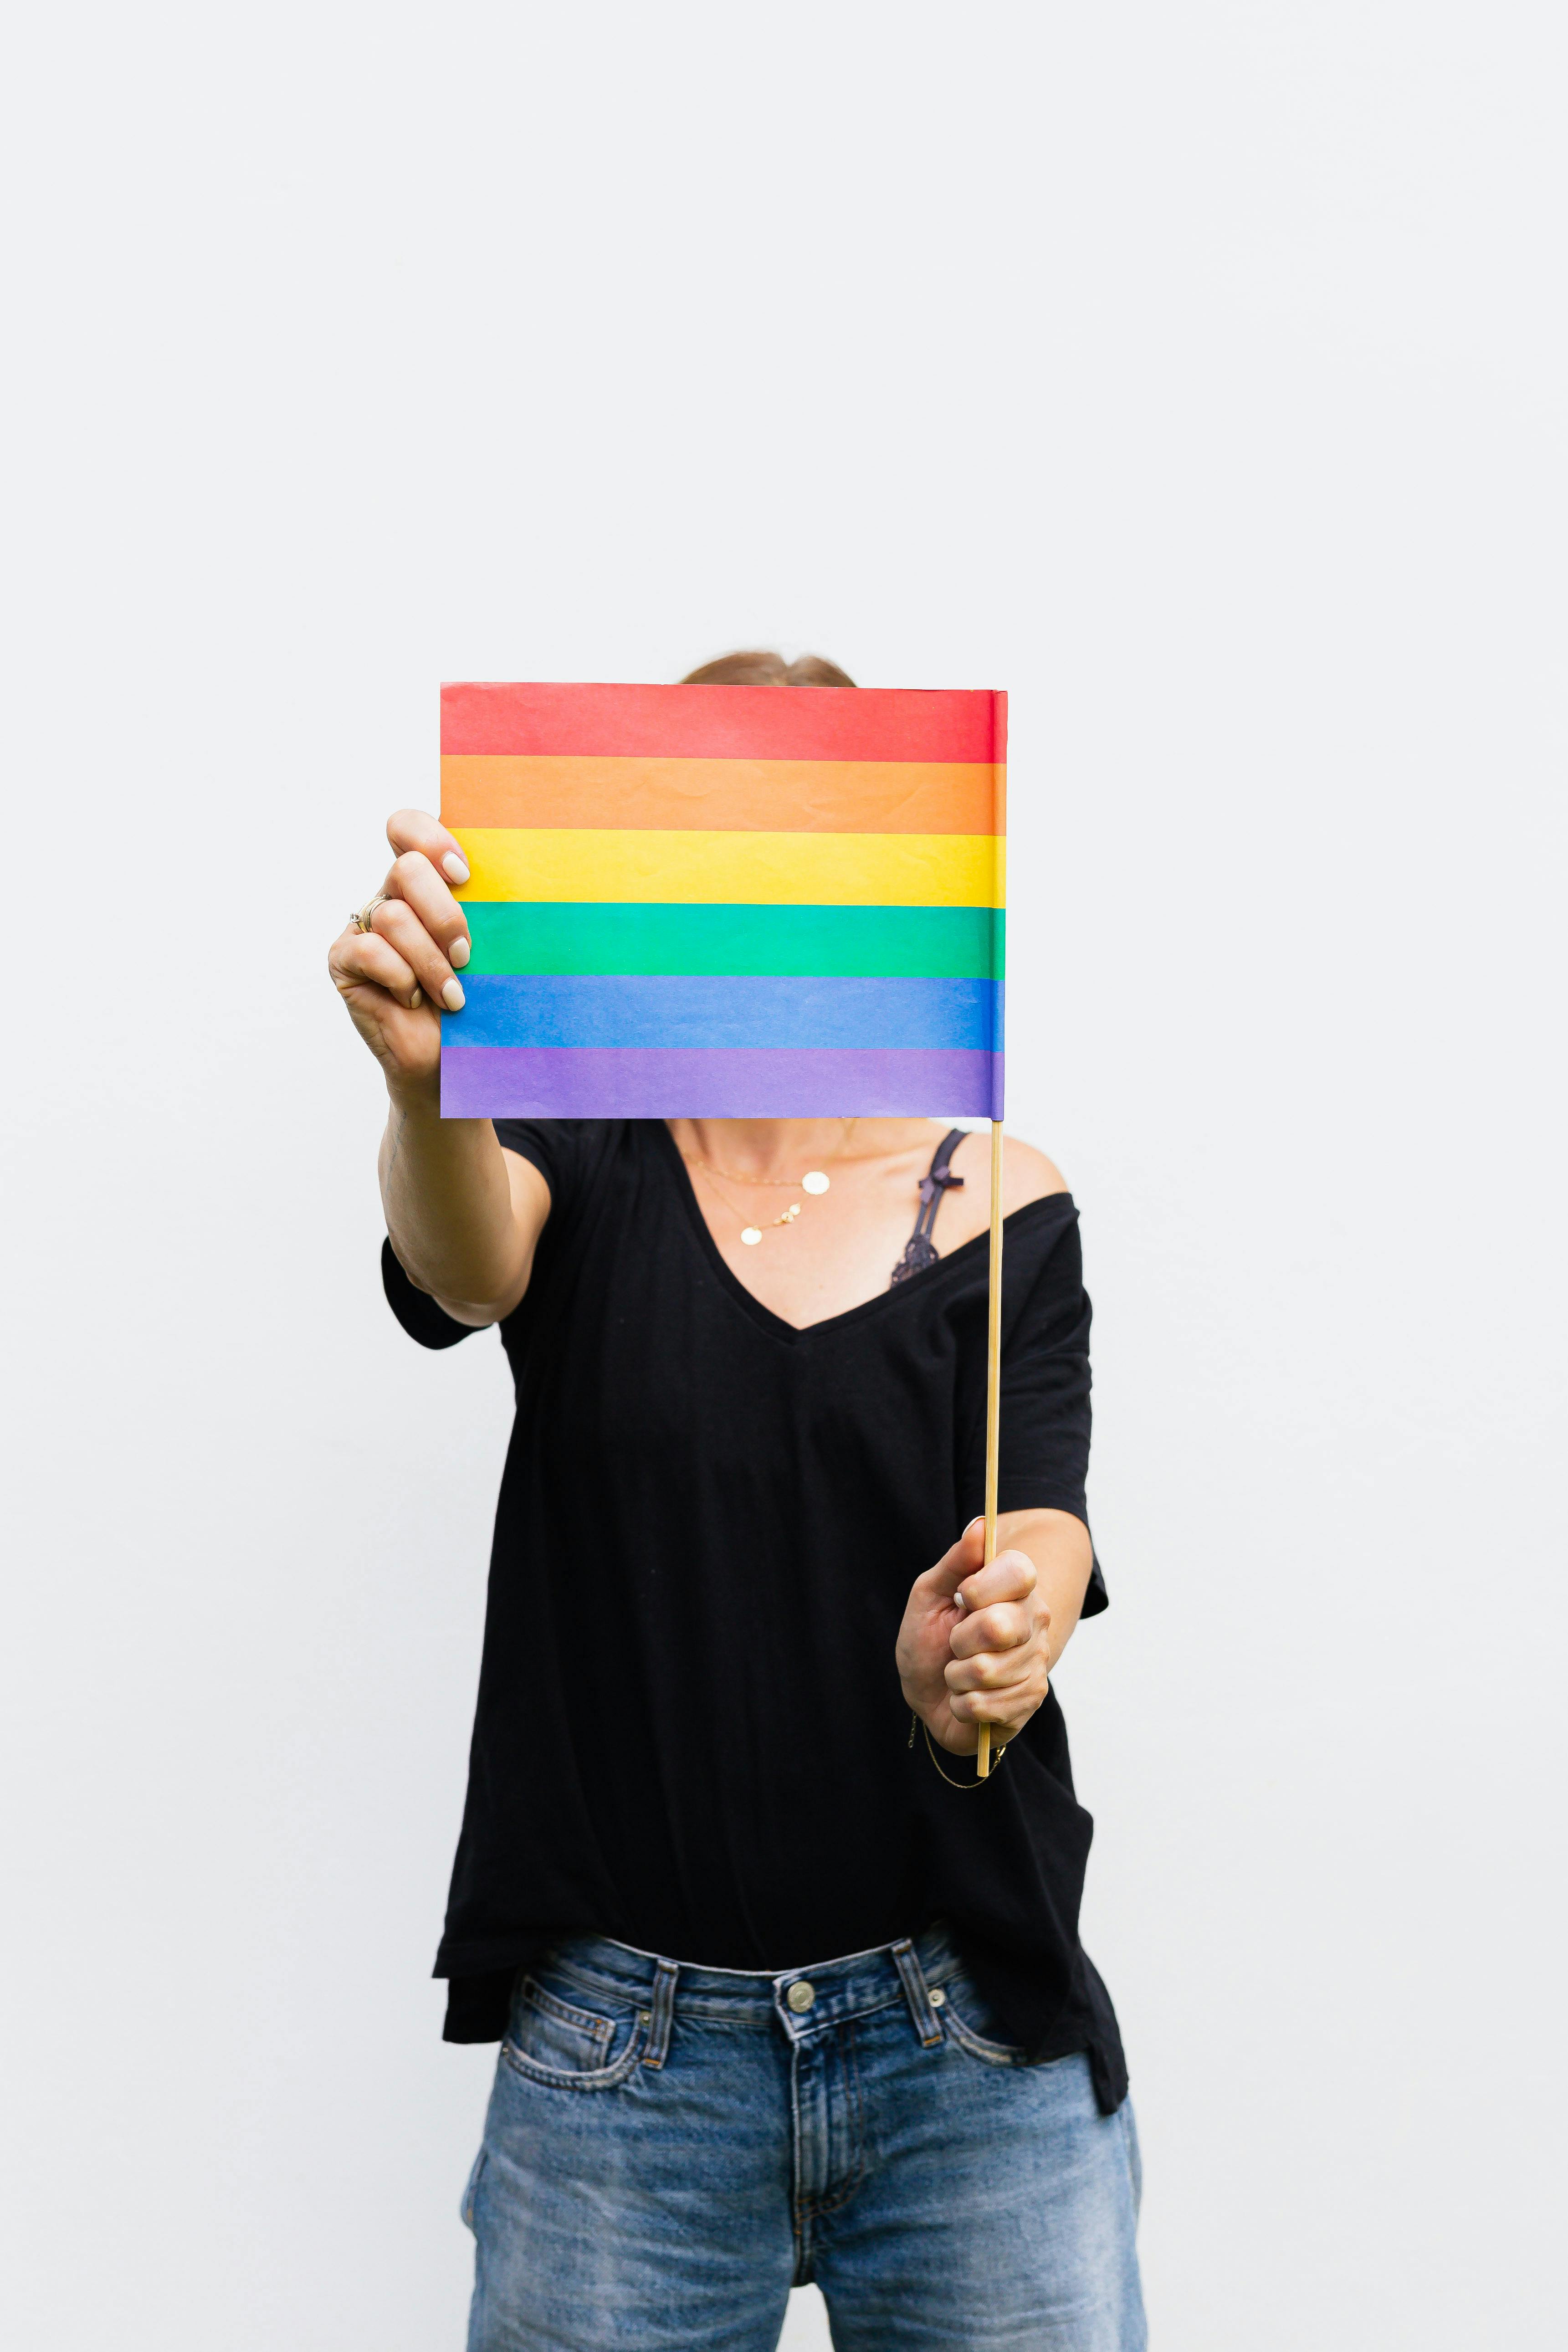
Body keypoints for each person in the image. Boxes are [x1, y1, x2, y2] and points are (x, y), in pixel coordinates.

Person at [327, 649, 1146, 2351]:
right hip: (621, 2067)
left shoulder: (998, 1193)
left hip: (964, 2049)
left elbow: (1048, 1522)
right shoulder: (578, 1149)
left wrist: (1004, 1635)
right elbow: (463, 1265)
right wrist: (426, 1079)